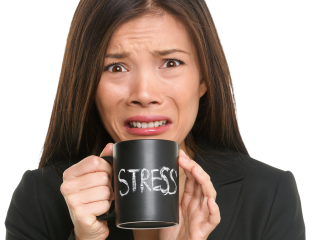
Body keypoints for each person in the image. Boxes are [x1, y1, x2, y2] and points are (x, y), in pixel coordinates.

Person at [5, 0, 305, 239]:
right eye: (116, 67)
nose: (144, 94)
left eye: (171, 63)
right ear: (88, 84)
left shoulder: (269, 193)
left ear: (204, 80)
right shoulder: (39, 197)